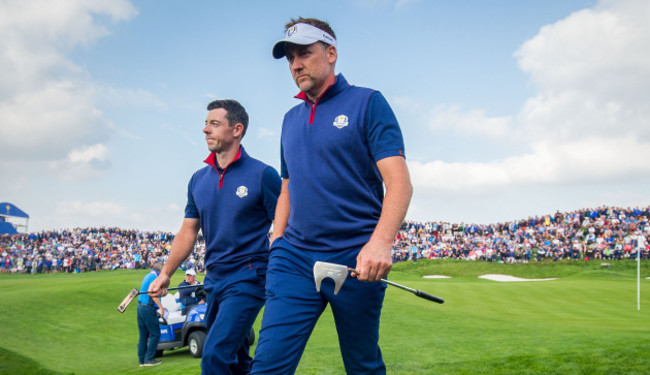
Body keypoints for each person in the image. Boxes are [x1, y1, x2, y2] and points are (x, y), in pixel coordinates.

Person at [251, 17, 413, 375]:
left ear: (331, 53)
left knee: (363, 366)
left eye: (305, 53)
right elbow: (288, 186)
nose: (296, 64)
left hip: (355, 259)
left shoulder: (368, 103)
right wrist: (277, 239)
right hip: (293, 258)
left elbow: (399, 182)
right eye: (291, 57)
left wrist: (380, 243)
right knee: (267, 367)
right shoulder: (290, 119)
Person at [148, 99, 281, 375]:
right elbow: (188, 230)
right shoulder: (198, 179)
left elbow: (286, 225)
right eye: (206, 123)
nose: (205, 129)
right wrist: (166, 273)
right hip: (213, 280)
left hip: (248, 277)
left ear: (237, 130)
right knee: (238, 358)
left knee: (214, 356)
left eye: (214, 124)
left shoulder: (262, 175)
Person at [137, 261, 164, 367]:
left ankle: (142, 360)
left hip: (140, 307)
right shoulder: (154, 277)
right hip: (148, 308)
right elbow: (151, 293)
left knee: (143, 335)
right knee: (155, 334)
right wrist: (161, 308)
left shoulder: (148, 275)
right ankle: (149, 359)